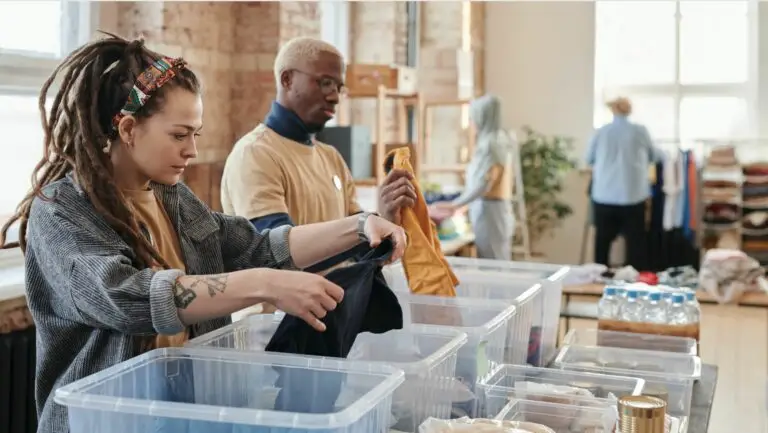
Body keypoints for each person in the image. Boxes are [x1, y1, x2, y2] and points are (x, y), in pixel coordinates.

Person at [0, 34, 406, 433]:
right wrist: (264, 284)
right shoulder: (60, 211)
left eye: (196, 133)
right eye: (179, 135)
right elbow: (125, 297)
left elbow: (254, 247)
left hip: (186, 414)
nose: (192, 150)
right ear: (127, 128)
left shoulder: (170, 196)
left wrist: (358, 227)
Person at [220, 37, 417, 272]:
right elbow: (277, 256)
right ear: (287, 79)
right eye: (325, 83)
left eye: (338, 87)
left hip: (330, 306)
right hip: (272, 309)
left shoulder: (331, 157)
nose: (334, 96)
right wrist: (362, 226)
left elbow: (360, 253)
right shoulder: (255, 154)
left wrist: (385, 218)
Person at [428, 94, 514, 260]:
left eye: (473, 118)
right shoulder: (498, 140)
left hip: (489, 211)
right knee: (497, 258)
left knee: (493, 262)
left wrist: (455, 204)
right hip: (493, 210)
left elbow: (483, 183)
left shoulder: (490, 144)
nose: (471, 124)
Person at [585, 97, 664, 269]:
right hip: (633, 195)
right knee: (636, 243)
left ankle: (599, 278)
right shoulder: (640, 131)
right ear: (630, 110)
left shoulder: (601, 132)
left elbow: (588, 158)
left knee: (602, 242)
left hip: (604, 195)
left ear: (612, 110)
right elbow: (654, 156)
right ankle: (634, 280)